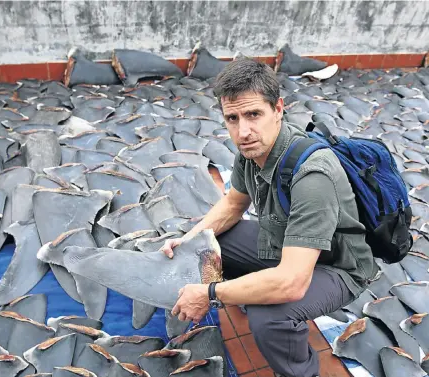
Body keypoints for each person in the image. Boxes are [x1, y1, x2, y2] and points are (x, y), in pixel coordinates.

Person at [162, 58, 379, 377]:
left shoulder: (312, 176)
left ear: (278, 108)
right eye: (232, 118)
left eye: (253, 114)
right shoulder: (250, 152)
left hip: (337, 266)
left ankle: (300, 371)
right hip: (287, 243)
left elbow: (291, 283)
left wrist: (209, 293)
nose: (243, 131)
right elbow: (232, 205)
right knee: (212, 243)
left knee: (270, 316)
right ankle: (250, 291)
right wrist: (190, 240)